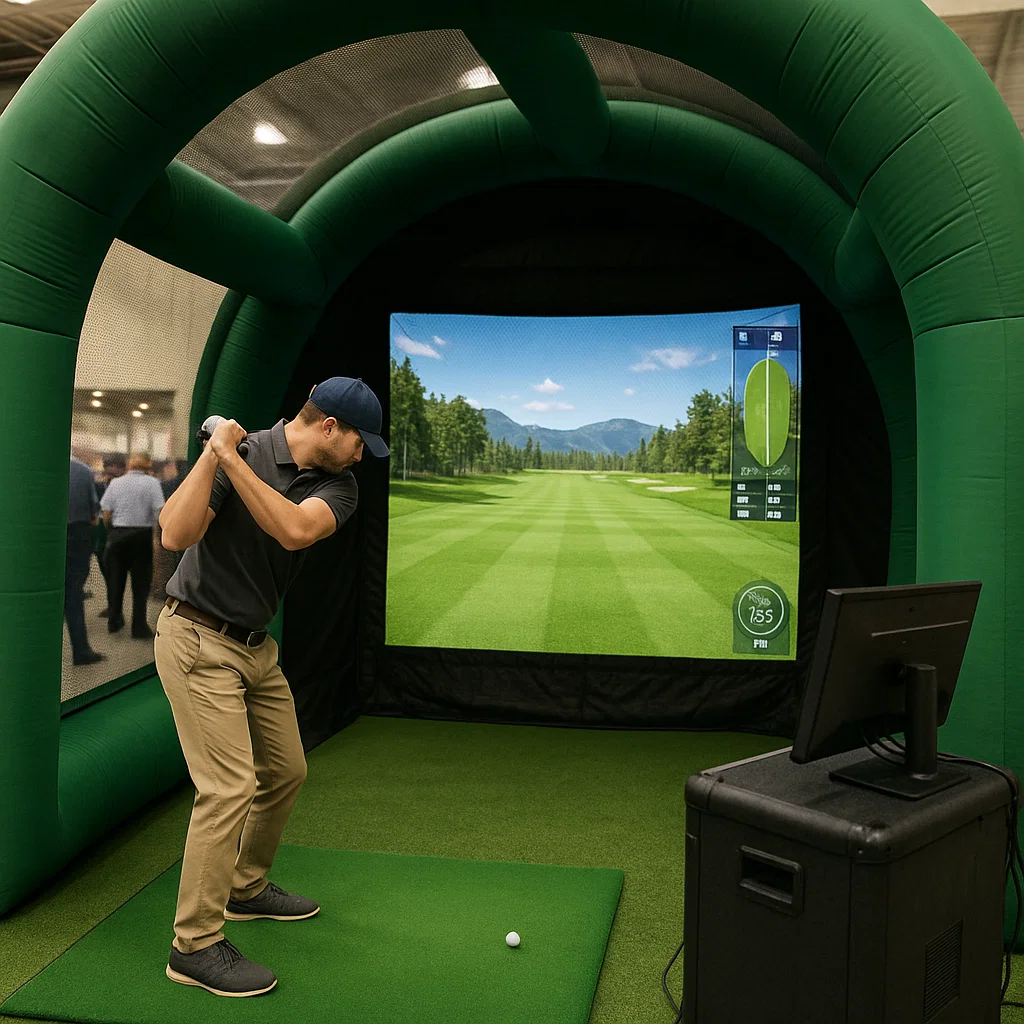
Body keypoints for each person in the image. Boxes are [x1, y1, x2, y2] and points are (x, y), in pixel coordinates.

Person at [155, 376, 388, 998]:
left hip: (256, 649)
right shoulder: (244, 450)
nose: (362, 455)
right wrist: (217, 457)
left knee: (286, 770)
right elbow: (174, 535)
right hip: (197, 638)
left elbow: (294, 531)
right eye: (360, 442)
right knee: (227, 787)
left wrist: (228, 457)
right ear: (330, 428)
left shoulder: (338, 485)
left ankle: (245, 887)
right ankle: (193, 945)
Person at [100, 451, 165, 639]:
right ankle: (139, 627)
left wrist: (111, 530)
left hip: (117, 536)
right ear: (148, 465)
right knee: (140, 585)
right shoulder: (153, 483)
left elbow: (106, 511)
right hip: (141, 537)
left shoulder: (116, 483)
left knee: (115, 581)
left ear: (130, 464)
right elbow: (159, 512)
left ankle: (114, 620)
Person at [66, 454, 105, 666]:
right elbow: (94, 509)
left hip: (37, 539)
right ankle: (81, 651)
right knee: (73, 594)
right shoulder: (83, 471)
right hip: (77, 535)